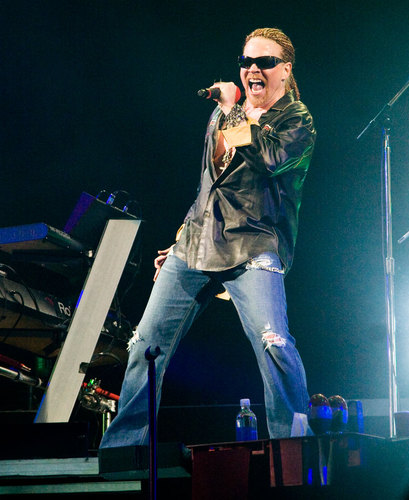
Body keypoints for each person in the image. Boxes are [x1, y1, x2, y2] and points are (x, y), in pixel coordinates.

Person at [99, 27, 316, 451]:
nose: (253, 70)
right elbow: (208, 187)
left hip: (254, 244)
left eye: (265, 62)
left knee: (274, 343)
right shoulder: (221, 116)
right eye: (246, 62)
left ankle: (294, 451)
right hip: (197, 244)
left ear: (285, 70)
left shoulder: (296, 119)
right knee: (145, 345)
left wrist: (232, 110)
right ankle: (124, 451)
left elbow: (269, 159)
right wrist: (182, 238)